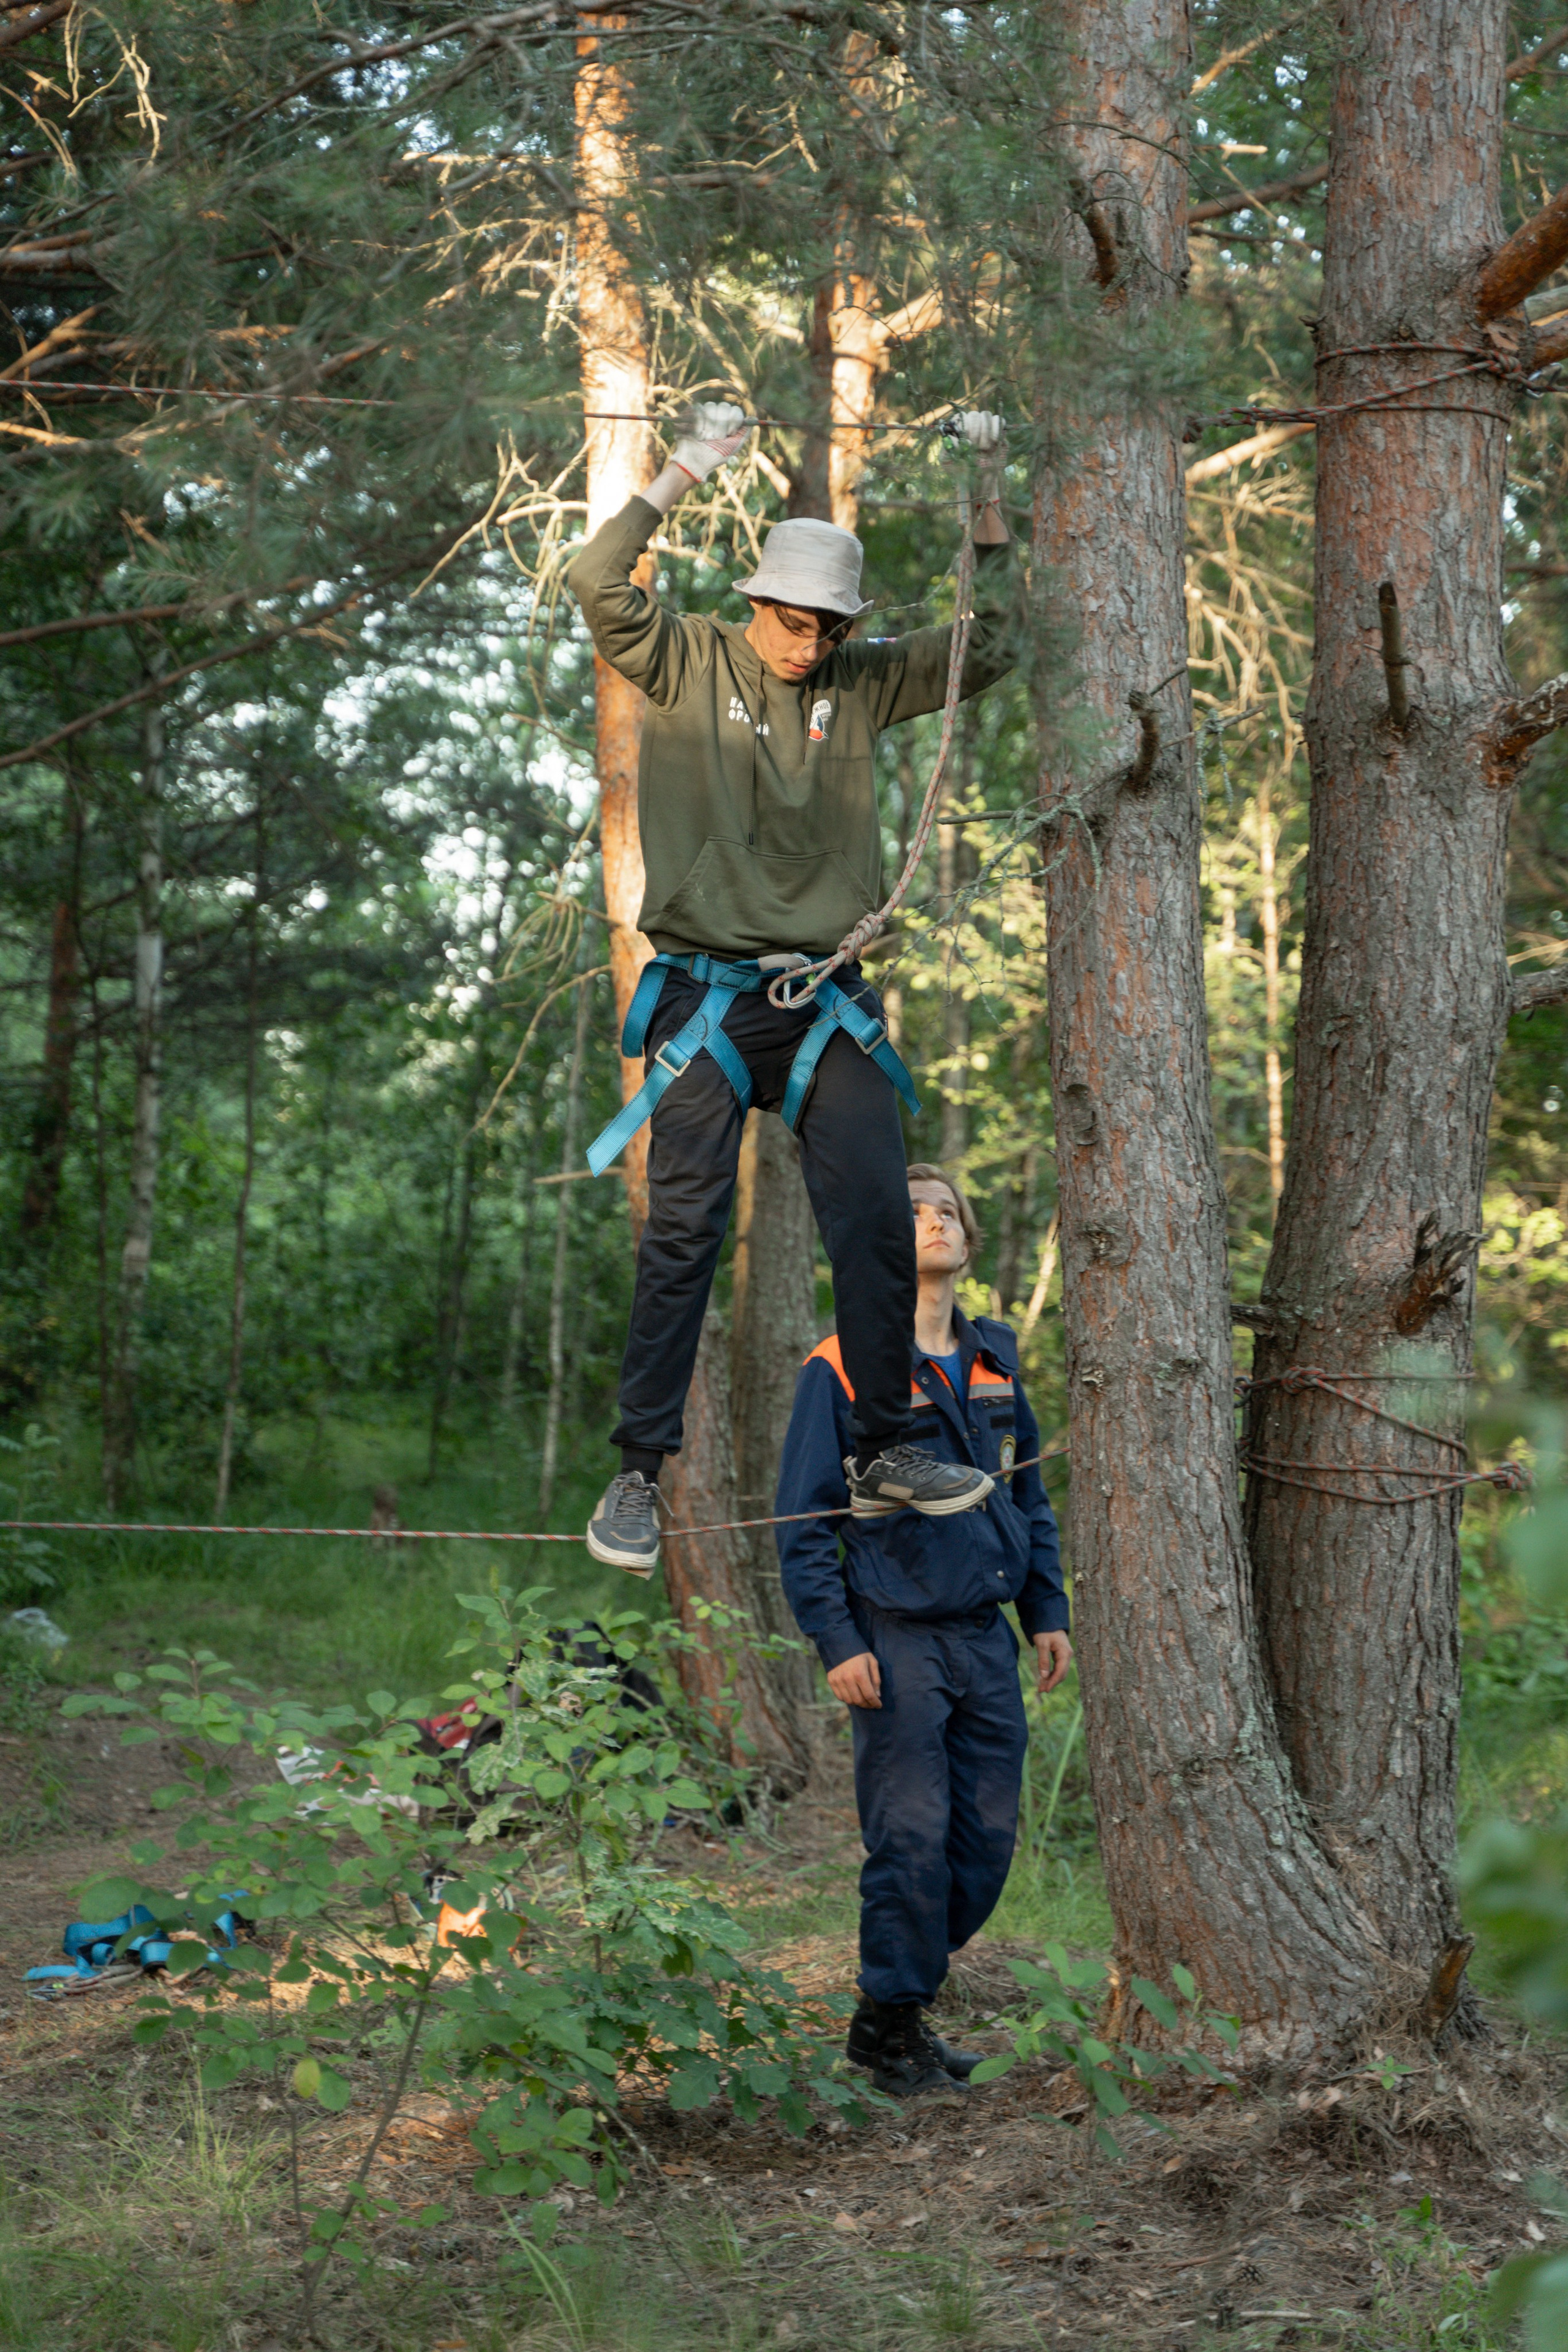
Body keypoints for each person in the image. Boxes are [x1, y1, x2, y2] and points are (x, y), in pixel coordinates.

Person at [567, 401, 1019, 1575]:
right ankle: (635, 1472)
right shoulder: (687, 654)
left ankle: (883, 1448)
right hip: (705, 1005)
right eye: (789, 614)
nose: (804, 636)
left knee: (874, 1222)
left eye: (826, 621)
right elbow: (598, 576)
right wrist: (683, 471)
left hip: (826, 1004)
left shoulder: (862, 684)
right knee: (684, 1233)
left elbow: (1002, 640)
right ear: (757, 601)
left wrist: (988, 485)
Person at [775, 1164, 1072, 2097]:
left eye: (948, 1212)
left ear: (967, 1240)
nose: (935, 1223)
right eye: (912, 1212)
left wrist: (1046, 1610)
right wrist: (838, 1642)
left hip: (986, 1636)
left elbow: (1029, 1492)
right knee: (909, 1837)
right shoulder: (842, 1365)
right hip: (894, 1638)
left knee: (985, 1840)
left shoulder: (995, 1360)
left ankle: (893, 2011)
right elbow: (803, 1520)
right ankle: (889, 2028)